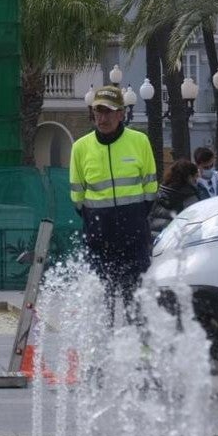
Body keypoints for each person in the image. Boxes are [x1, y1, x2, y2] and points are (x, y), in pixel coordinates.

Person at [69, 85, 158, 307]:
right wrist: (94, 218)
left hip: (134, 235)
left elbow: (150, 189)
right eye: (98, 112)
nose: (102, 118)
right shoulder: (80, 147)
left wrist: (135, 216)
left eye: (107, 111)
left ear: (121, 114)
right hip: (98, 235)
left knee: (136, 297)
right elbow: (77, 197)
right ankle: (102, 341)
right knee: (100, 300)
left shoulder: (140, 141)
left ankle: (139, 340)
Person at [150, 159, 201, 238]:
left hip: (155, 238)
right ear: (190, 177)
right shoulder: (189, 197)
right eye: (196, 176)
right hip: (175, 242)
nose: (197, 180)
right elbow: (195, 225)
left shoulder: (161, 192)